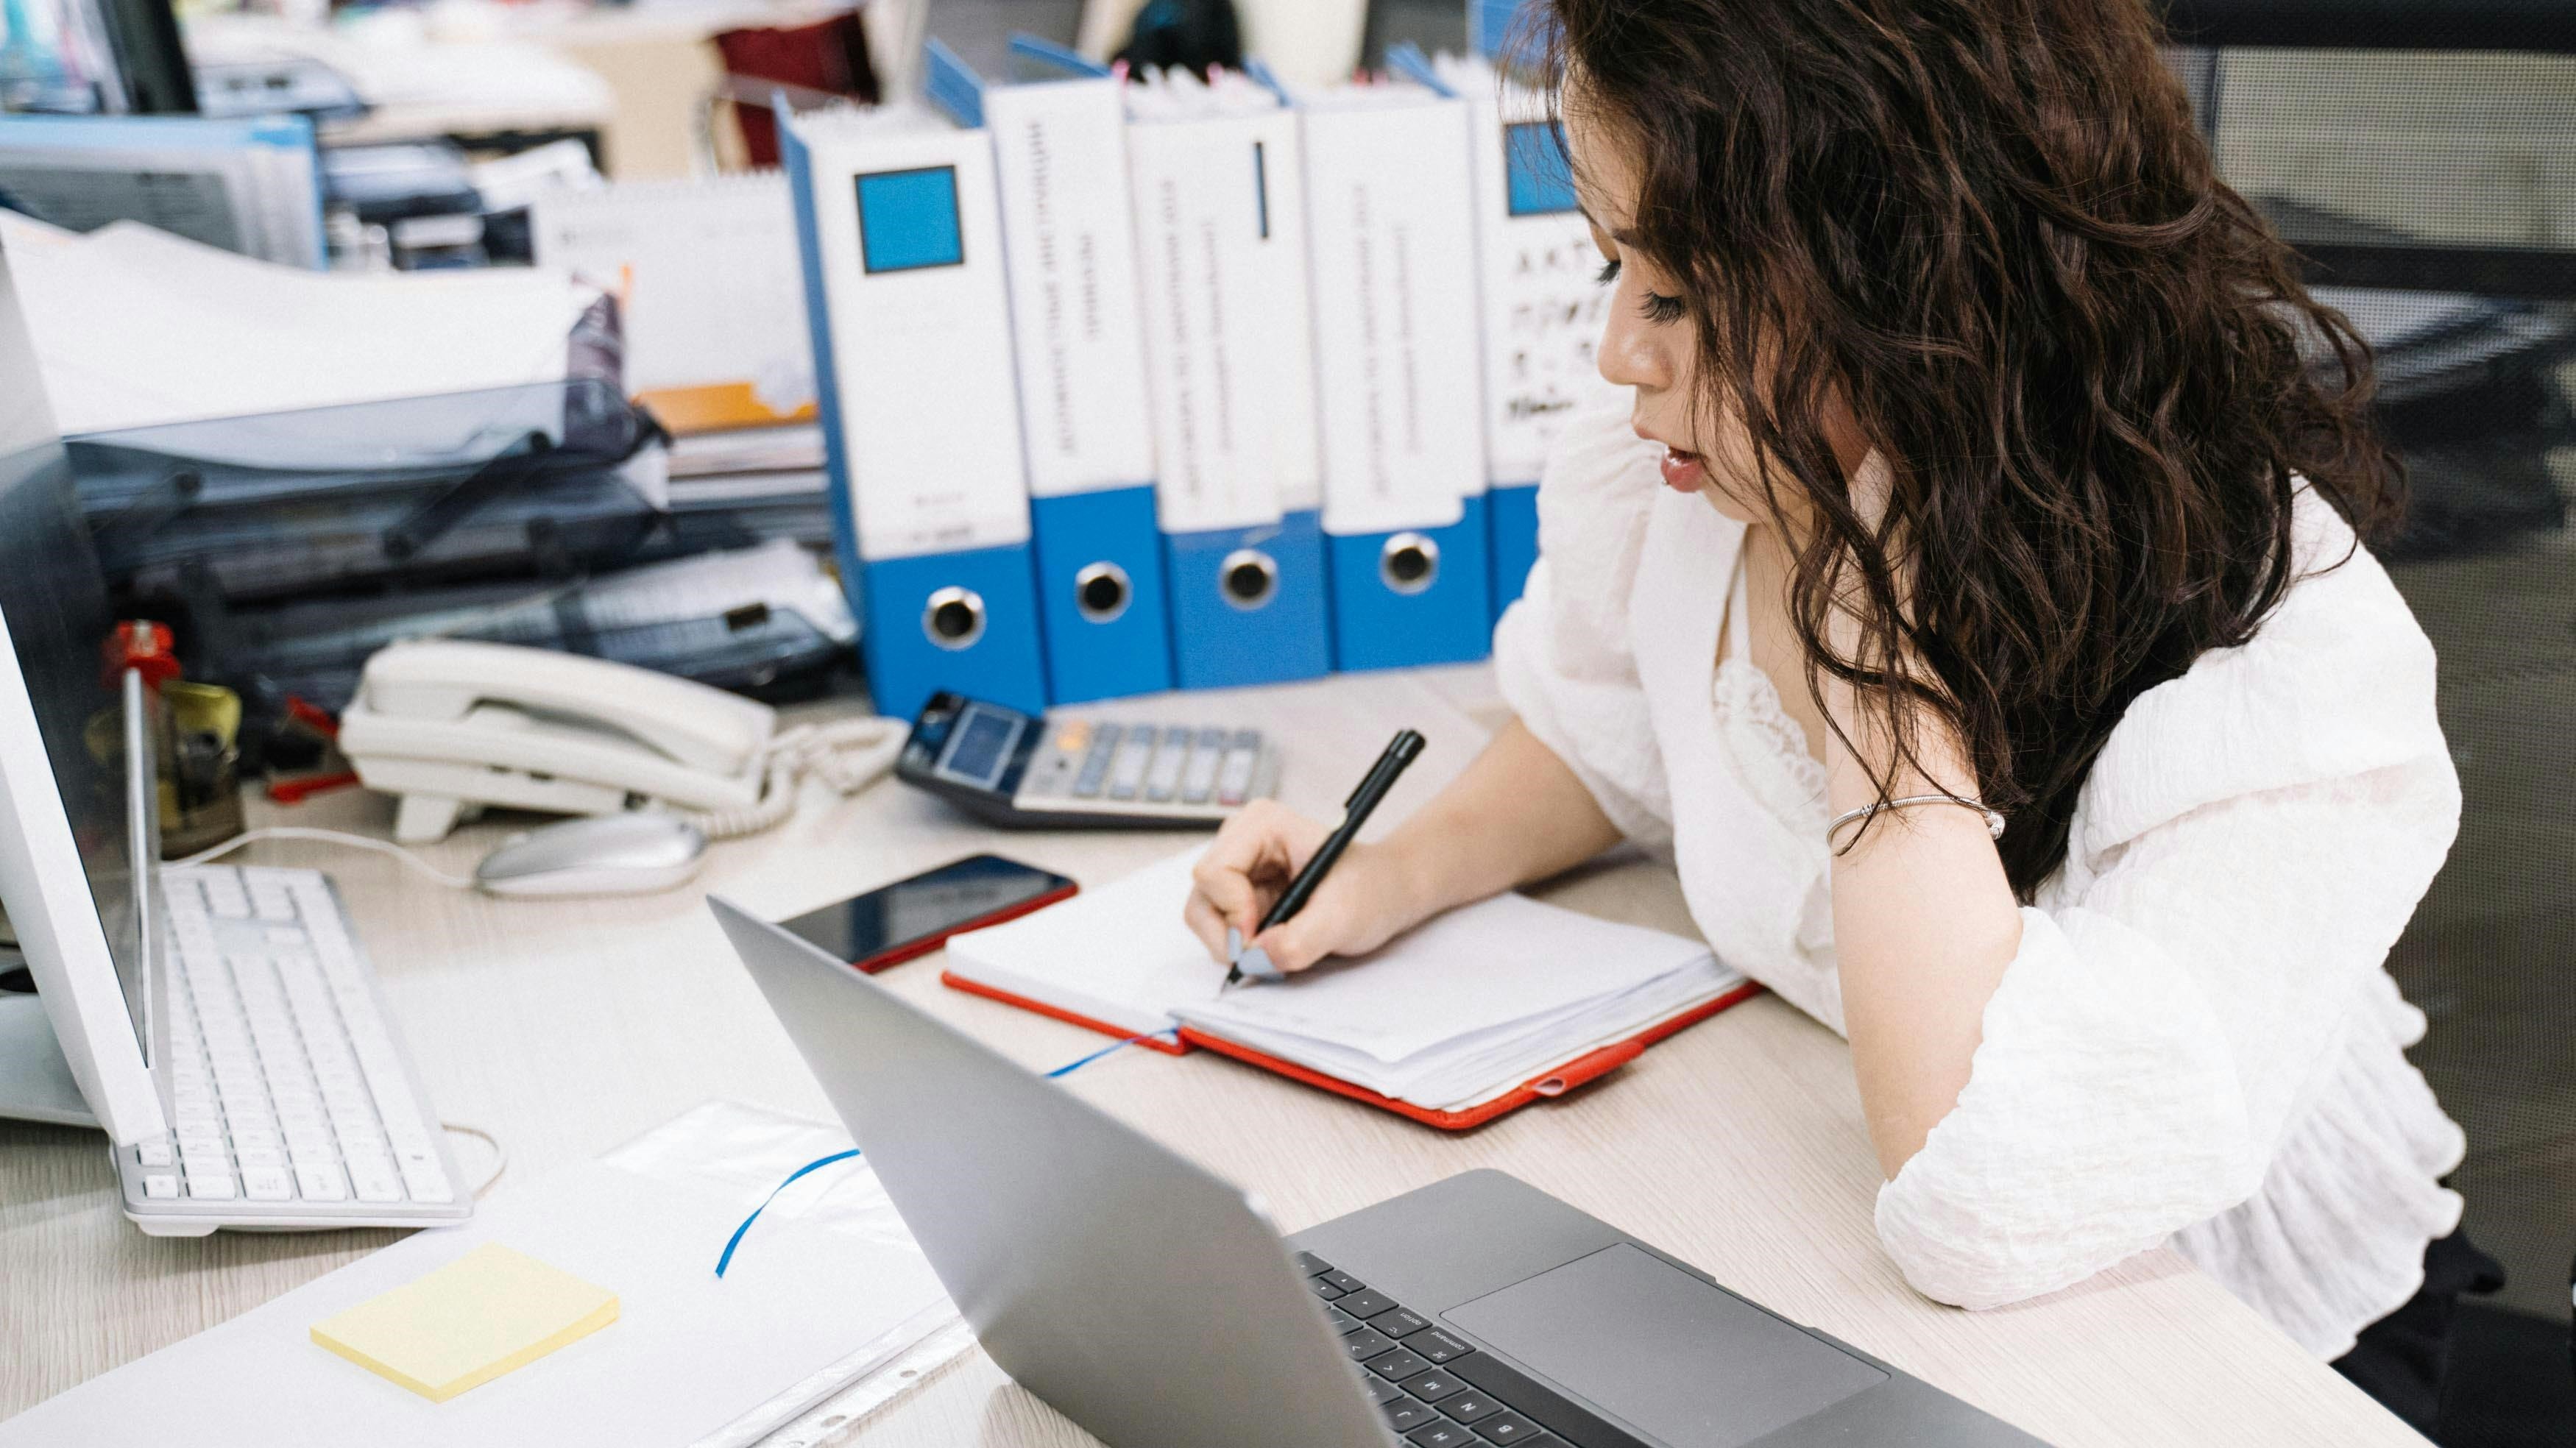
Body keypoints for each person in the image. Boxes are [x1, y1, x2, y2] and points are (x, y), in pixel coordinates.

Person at [1183, 0, 2493, 1430]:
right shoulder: (1708, 478)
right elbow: (1618, 733)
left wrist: (1876, 648)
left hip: (2221, 1346)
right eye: (1615, 265)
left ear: (1908, 294)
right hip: (1854, 1257)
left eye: (1674, 295)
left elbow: (1982, 1186)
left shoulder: (2278, 664)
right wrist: (1386, 876)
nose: (1619, 349)